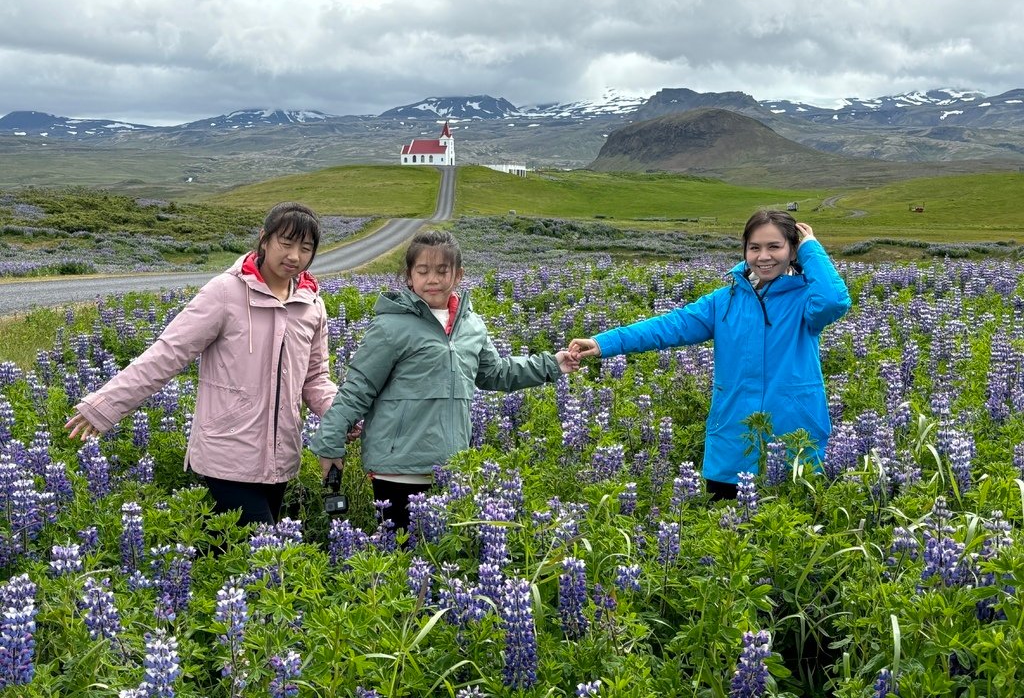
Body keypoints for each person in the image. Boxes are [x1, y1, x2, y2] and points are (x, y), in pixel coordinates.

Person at [65, 202, 337, 525]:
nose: (294, 256)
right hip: (227, 453)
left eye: (305, 248)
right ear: (264, 239)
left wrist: (343, 416)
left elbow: (317, 379)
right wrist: (104, 406)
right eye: (286, 243)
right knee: (266, 555)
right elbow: (167, 354)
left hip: (281, 459)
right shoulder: (226, 292)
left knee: (238, 559)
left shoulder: (311, 305)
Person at [568, 211, 850, 500]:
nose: (763, 256)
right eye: (754, 247)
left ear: (793, 251)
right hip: (733, 439)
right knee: (725, 532)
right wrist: (604, 343)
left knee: (786, 533)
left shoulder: (806, 300)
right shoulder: (724, 300)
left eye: (774, 247)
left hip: (793, 439)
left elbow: (834, 300)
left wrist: (812, 248)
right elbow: (669, 326)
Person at [311, 229, 578, 532]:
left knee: (441, 561)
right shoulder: (390, 326)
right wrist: (330, 442)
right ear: (409, 276)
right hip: (398, 469)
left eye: (442, 270)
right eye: (423, 271)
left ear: (458, 275)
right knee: (400, 558)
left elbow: (497, 372)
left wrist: (552, 364)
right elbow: (358, 388)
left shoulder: (471, 325)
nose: (433, 279)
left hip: (451, 468)